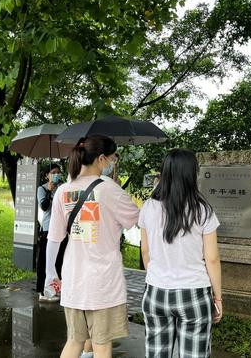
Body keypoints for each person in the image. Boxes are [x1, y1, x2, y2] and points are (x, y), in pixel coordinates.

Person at [45, 135, 139, 358]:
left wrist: (51, 273)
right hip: (103, 282)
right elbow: (137, 219)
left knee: (74, 341)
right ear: (101, 158)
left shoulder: (63, 190)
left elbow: (54, 238)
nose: (113, 162)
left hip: (73, 279)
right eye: (113, 158)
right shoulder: (111, 190)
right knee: (102, 345)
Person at [139, 149, 223, 358]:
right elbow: (212, 259)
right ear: (191, 174)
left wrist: (159, 275)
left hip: (156, 292)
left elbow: (145, 252)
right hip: (193, 292)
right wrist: (218, 297)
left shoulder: (149, 207)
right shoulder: (203, 210)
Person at [36, 164, 63, 302]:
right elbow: (44, 207)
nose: (56, 175)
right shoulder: (42, 189)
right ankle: (41, 290)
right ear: (47, 175)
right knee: (44, 261)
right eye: (53, 172)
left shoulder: (62, 188)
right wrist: (49, 191)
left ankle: (55, 289)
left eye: (58, 172)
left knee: (59, 261)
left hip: (61, 229)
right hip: (48, 229)